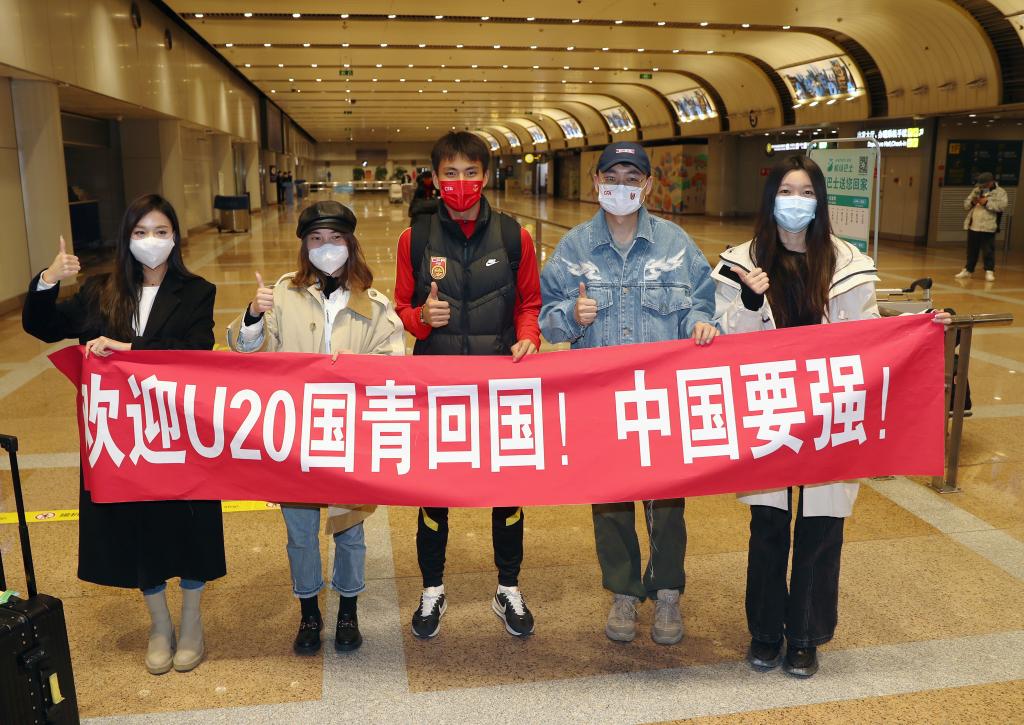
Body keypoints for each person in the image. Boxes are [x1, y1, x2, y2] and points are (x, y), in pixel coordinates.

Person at [711, 155, 951, 678]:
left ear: (820, 202)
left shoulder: (847, 264)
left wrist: (920, 327)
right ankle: (765, 631)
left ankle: (806, 635)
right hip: (770, 407)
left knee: (821, 526)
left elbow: (870, 333)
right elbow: (725, 341)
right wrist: (748, 301)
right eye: (786, 191)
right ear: (770, 198)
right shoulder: (740, 262)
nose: (795, 202)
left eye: (806, 192)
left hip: (830, 409)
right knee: (768, 523)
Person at [22, 194, 224, 676]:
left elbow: (197, 349)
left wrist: (129, 348)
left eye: (160, 232)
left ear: (175, 238)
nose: (151, 241)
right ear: (126, 238)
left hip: (178, 430)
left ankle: (191, 621)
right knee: (137, 526)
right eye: (140, 232)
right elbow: (43, 326)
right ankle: (160, 625)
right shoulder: (100, 291)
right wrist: (48, 279)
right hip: (124, 438)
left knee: (190, 523)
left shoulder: (197, 291)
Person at [539, 142, 718, 646]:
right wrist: (570, 316)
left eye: (632, 178)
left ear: (648, 185)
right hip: (600, 400)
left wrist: (701, 322)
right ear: (596, 182)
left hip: (660, 399)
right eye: (612, 177)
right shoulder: (574, 248)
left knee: (668, 501)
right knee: (610, 500)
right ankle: (622, 590)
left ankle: (666, 591)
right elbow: (546, 319)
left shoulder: (675, 245)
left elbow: (702, 301)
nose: (621, 187)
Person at [227, 200, 405, 655]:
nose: (327, 247)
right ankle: (308, 611)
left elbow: (394, 362)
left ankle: (348, 610)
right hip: (296, 433)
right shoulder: (282, 294)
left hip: (349, 433)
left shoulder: (374, 304)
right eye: (316, 238)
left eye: (336, 238)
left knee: (350, 528)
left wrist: (361, 371)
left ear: (350, 243)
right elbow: (246, 354)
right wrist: (252, 316)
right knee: (301, 532)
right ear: (305, 246)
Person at [393, 131, 542, 640]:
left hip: (499, 384)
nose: (461, 182)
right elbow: (401, 307)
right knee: (434, 492)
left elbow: (529, 302)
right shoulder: (414, 238)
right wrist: (421, 318)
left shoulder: (514, 236)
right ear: (435, 179)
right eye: (451, 173)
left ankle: (508, 586)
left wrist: (528, 336)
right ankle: (432, 587)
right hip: (436, 385)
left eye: (471, 172)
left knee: (508, 490)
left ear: (486, 176)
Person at [955, 171, 1007, 282]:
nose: (982, 186)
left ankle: (989, 271)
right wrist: (972, 202)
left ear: (991, 182)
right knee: (971, 250)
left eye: (984, 184)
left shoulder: (1001, 192)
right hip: (974, 225)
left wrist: (986, 203)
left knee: (988, 250)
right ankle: (968, 270)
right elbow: (966, 205)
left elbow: (1002, 207)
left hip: (989, 226)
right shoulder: (976, 190)